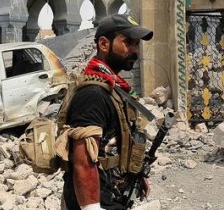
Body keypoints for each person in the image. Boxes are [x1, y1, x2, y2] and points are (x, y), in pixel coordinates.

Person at [61, 14, 154, 210]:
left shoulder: (113, 89)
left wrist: (133, 175)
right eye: (128, 43)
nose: (135, 51)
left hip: (112, 196)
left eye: (136, 44)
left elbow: (114, 144)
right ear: (104, 44)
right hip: (96, 202)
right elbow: (83, 162)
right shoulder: (93, 95)